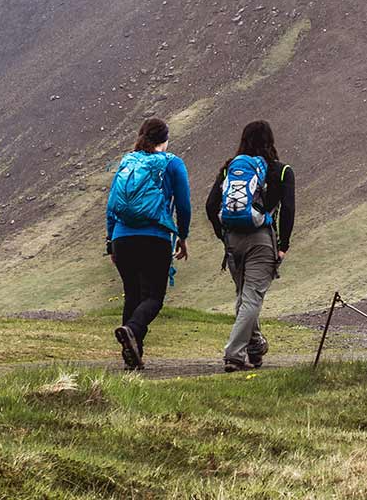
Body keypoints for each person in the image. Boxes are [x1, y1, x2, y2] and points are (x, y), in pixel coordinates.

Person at [205, 120, 295, 372]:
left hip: (233, 241)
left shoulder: (229, 169)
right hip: (262, 240)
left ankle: (255, 346)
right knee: (251, 297)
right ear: (271, 141)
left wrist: (223, 236)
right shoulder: (281, 170)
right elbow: (288, 210)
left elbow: (211, 206)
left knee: (244, 297)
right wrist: (283, 245)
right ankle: (234, 355)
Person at [105, 116, 191, 370]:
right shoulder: (172, 163)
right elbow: (184, 205)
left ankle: (133, 357)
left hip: (122, 238)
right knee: (153, 297)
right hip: (155, 238)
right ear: (165, 140)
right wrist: (182, 236)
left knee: (132, 295)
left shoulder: (127, 162)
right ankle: (131, 330)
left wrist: (111, 240)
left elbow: (112, 204)